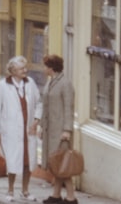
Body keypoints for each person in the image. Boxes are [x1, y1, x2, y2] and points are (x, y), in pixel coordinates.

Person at [0, 55, 42, 202]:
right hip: (11, 130)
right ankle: (10, 191)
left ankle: (25, 191)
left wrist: (36, 120)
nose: (25, 71)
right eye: (21, 69)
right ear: (13, 71)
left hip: (28, 131)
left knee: (28, 162)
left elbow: (39, 103)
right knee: (12, 162)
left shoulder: (30, 83)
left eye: (25, 68)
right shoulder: (2, 86)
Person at [40, 54, 77, 204]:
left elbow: (69, 107)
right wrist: (42, 126)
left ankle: (71, 197)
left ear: (51, 68)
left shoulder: (65, 83)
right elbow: (45, 106)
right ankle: (56, 195)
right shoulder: (51, 82)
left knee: (63, 165)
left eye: (45, 66)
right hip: (51, 131)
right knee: (56, 164)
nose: (44, 69)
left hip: (61, 132)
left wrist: (67, 130)